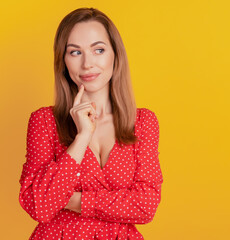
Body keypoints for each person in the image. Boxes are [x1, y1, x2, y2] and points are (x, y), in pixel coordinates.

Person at [18, 7, 163, 239]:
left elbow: (146, 206)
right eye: (75, 52)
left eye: (98, 50)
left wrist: (76, 200)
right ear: (63, 61)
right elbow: (40, 206)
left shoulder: (143, 122)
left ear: (115, 55)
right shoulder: (44, 121)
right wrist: (82, 137)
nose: (87, 64)